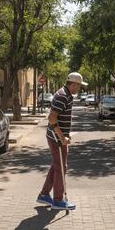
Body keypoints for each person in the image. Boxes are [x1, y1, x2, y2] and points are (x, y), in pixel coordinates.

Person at [36, 72, 87, 210]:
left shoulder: (65, 94)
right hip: (56, 139)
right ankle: (58, 200)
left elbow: (59, 117)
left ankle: (44, 195)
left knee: (56, 165)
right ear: (74, 84)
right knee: (61, 167)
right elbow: (52, 118)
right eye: (79, 86)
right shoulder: (63, 96)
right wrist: (62, 137)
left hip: (57, 137)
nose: (80, 89)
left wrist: (66, 134)